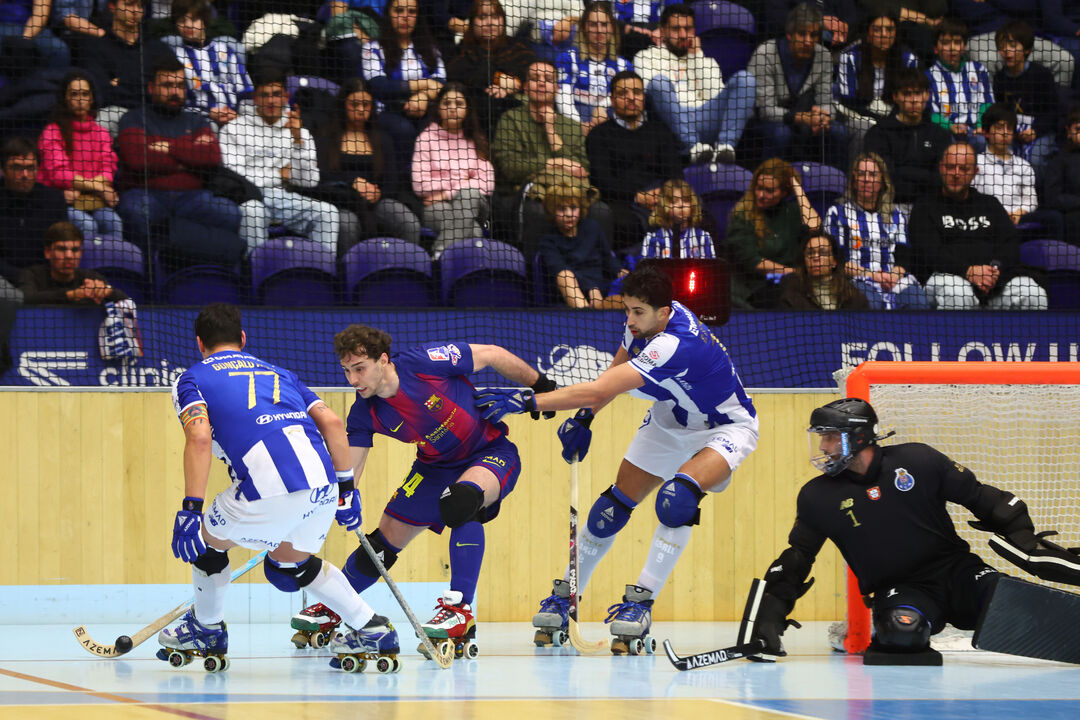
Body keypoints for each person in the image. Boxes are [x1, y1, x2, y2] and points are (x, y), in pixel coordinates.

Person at [474, 263, 758, 654]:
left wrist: (527, 401)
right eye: (627, 309)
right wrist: (586, 417)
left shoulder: (673, 345)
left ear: (664, 312)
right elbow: (616, 371)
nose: (630, 319)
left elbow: (597, 388)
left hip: (724, 426)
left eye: (637, 312)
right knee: (608, 510)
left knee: (677, 501)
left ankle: (640, 604)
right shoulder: (645, 323)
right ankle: (567, 595)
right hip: (669, 419)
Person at [290, 324, 557, 659]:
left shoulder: (425, 362)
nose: (353, 380)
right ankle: (337, 604)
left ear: (383, 360)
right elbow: (350, 472)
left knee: (461, 502)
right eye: (346, 371)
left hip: (489, 452)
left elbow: (493, 354)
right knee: (383, 540)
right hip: (433, 468)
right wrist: (341, 500)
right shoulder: (363, 412)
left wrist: (540, 387)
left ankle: (459, 610)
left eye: (359, 369)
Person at [160, 303, 398, 671]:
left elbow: (200, 438)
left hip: (267, 487)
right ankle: (371, 627)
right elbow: (333, 424)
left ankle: (206, 628)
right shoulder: (281, 373)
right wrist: (347, 489)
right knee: (290, 562)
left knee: (206, 545)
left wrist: (190, 509)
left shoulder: (191, 379)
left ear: (200, 343)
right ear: (243, 338)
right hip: (323, 485)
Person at [751, 397, 1078, 664]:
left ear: (859, 437)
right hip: (901, 588)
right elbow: (797, 559)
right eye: (821, 437)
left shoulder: (918, 461)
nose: (823, 446)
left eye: (831, 436)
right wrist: (769, 617)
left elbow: (985, 499)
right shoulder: (816, 496)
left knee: (1016, 606)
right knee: (901, 633)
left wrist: (1026, 541)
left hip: (959, 572)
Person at [115, 55, 244, 264]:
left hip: (192, 197)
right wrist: (187, 157)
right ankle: (148, 272)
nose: (175, 92)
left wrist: (169, 147)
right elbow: (138, 159)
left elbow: (211, 158)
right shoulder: (133, 118)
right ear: (151, 88)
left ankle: (212, 274)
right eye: (167, 85)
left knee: (230, 213)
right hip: (146, 194)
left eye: (180, 86)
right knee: (135, 211)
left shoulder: (196, 120)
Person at [903, 141, 1047, 310]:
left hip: (993, 282)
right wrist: (968, 271)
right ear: (941, 168)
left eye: (964, 169)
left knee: (1032, 293)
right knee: (957, 292)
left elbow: (1010, 244)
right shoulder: (925, 206)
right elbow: (929, 253)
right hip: (946, 278)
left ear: (974, 172)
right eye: (951, 167)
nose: (956, 173)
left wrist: (994, 270)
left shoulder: (990, 204)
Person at [219, 71, 342, 256]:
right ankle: (254, 270)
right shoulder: (234, 129)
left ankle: (321, 269)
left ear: (286, 97)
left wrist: (298, 141)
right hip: (250, 198)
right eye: (264, 95)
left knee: (328, 213)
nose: (271, 101)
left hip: (286, 198)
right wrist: (279, 175)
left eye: (276, 94)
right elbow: (236, 181)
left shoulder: (299, 131)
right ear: (255, 98)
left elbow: (309, 182)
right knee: (253, 211)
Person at [303, 78, 423, 250]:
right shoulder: (325, 136)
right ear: (343, 105)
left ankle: (405, 264)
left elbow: (393, 181)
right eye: (355, 104)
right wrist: (352, 183)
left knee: (408, 222)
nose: (360, 110)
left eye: (366, 105)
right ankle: (348, 266)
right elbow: (320, 176)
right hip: (341, 201)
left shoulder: (383, 138)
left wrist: (378, 193)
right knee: (347, 224)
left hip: (377, 202)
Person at [635, 3, 756, 165]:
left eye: (688, 29)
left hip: (707, 117)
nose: (683, 35)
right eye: (676, 29)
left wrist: (697, 57)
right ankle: (693, 147)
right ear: (663, 31)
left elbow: (713, 95)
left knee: (745, 79)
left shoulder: (707, 61)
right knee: (658, 82)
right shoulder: (645, 57)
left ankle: (725, 147)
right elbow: (652, 96)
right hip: (671, 124)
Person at [585, 70, 681, 252]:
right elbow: (602, 181)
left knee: (699, 212)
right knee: (618, 221)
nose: (631, 98)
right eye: (623, 93)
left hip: (663, 199)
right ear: (612, 100)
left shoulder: (660, 131)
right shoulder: (599, 135)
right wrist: (638, 196)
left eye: (637, 92)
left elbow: (675, 172)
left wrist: (663, 193)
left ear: (643, 97)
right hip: (621, 202)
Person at [824, 151, 930, 309]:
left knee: (918, 302)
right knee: (870, 304)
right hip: (855, 279)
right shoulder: (837, 214)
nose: (866, 179)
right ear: (854, 180)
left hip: (893, 279)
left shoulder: (896, 216)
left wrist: (893, 276)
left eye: (873, 175)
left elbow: (903, 256)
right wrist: (871, 275)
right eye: (861, 174)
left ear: (882, 182)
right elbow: (836, 261)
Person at [748, 3, 846, 169]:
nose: (808, 41)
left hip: (805, 121)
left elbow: (826, 101)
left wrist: (823, 118)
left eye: (813, 35)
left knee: (838, 132)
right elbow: (765, 110)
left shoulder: (823, 56)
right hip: (764, 122)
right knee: (781, 134)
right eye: (802, 34)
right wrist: (802, 118)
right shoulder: (765, 54)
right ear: (789, 34)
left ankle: (834, 182)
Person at [37, 70, 123, 244]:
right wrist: (99, 188)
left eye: (85, 94)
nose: (80, 100)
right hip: (62, 200)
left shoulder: (102, 133)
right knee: (87, 225)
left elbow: (108, 168)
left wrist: (89, 187)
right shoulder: (53, 131)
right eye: (74, 94)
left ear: (91, 99)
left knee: (113, 222)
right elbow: (58, 174)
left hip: (93, 200)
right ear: (65, 99)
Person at [411, 82, 494, 258]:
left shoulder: (476, 139)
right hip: (436, 208)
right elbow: (420, 185)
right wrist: (462, 179)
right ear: (438, 108)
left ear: (467, 109)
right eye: (447, 103)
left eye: (459, 104)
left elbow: (487, 183)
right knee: (474, 231)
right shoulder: (425, 139)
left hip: (474, 205)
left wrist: (446, 193)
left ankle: (440, 255)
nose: (452, 108)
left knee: (469, 194)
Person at [361, 0, 446, 170]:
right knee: (403, 130)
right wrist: (425, 83)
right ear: (388, 14)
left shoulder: (430, 49)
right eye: (399, 11)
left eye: (412, 12)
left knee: (433, 128)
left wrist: (423, 97)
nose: (405, 17)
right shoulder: (372, 48)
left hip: (425, 108)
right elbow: (381, 87)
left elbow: (441, 84)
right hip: (385, 111)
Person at [727, 158, 821, 309]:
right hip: (755, 289)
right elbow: (753, 262)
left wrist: (797, 187)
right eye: (759, 188)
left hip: (791, 284)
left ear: (784, 192)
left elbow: (814, 228)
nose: (761, 195)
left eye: (769, 191)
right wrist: (794, 273)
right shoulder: (742, 215)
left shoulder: (791, 211)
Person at [445, 0, 535, 141]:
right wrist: (497, 78)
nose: (490, 23)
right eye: (482, 17)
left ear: (503, 20)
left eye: (495, 17)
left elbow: (531, 71)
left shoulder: (517, 47)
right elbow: (456, 73)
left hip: (514, 109)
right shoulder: (462, 49)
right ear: (472, 22)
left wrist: (516, 84)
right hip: (475, 114)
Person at [973, 103, 1062, 243]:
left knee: (1054, 218)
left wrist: (1019, 213)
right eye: (999, 128)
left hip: (1018, 220)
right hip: (988, 220)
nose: (1004, 133)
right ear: (986, 133)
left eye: (1009, 129)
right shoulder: (976, 163)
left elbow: (1031, 200)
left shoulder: (1023, 166)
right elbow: (972, 198)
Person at [83, 0, 174, 136]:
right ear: (112, 6)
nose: (135, 11)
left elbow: (168, 89)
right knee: (103, 120)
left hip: (154, 115)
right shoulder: (95, 46)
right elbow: (101, 91)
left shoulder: (158, 48)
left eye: (140, 6)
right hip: (117, 114)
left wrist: (120, 83)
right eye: (129, 4)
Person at [863, 67, 952, 205]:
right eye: (907, 94)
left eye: (918, 93)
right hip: (889, 204)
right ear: (895, 97)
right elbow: (885, 176)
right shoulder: (879, 133)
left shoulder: (940, 135)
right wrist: (925, 175)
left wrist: (903, 170)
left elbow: (941, 177)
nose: (914, 100)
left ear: (927, 96)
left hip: (931, 205)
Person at [833, 8, 920, 146]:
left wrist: (891, 121)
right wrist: (880, 121)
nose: (884, 35)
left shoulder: (909, 59)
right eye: (877, 30)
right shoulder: (849, 57)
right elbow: (847, 100)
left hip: (895, 116)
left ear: (896, 33)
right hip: (856, 116)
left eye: (889, 30)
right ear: (868, 33)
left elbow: (909, 98)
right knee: (865, 129)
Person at [160, 0, 253, 128]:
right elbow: (178, 100)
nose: (188, 25)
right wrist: (208, 113)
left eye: (194, 19)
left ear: (204, 20)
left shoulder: (226, 50)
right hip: (197, 122)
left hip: (236, 120)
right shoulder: (175, 57)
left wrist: (238, 116)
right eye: (182, 21)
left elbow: (246, 90)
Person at [0, 136, 69, 300]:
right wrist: (22, 276)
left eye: (31, 168)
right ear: (3, 170)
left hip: (43, 280)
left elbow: (60, 247)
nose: (25, 175)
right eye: (17, 168)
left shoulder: (53, 200)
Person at [539, 181, 624, 309]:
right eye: (562, 209)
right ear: (552, 211)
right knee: (564, 276)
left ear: (580, 207)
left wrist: (621, 273)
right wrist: (591, 288)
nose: (569, 214)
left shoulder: (593, 227)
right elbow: (559, 269)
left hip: (601, 288)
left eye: (573, 208)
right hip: (573, 292)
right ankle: (585, 316)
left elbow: (608, 258)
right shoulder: (548, 241)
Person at [991, 20, 1060, 175]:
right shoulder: (999, 78)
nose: (1006, 51)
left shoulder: (1041, 75)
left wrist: (1036, 131)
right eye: (1002, 46)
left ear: (1027, 49)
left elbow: (1053, 112)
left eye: (1012, 45)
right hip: (1011, 131)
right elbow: (1000, 111)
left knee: (1035, 159)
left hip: (1040, 130)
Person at [555, 1, 632, 133]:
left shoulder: (624, 66)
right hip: (574, 123)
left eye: (604, 24)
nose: (599, 30)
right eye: (593, 25)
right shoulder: (567, 59)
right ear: (584, 28)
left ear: (612, 28)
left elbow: (628, 99)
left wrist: (601, 107)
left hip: (610, 122)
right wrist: (578, 126)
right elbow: (563, 100)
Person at [17, 221, 128, 305]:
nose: (69, 256)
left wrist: (107, 291)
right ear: (48, 252)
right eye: (62, 249)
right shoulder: (32, 274)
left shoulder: (90, 277)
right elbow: (24, 298)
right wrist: (72, 295)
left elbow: (126, 302)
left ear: (81, 253)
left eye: (75, 250)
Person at [925, 17, 993, 153]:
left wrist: (981, 125)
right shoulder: (928, 76)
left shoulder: (978, 70)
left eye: (957, 42)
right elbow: (929, 113)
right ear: (935, 49)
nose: (952, 48)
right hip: (946, 134)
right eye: (945, 43)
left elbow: (987, 102)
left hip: (977, 133)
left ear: (964, 47)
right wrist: (950, 126)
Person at [776, 230, 870, 309]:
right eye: (810, 253)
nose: (816, 257)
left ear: (834, 262)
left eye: (823, 252)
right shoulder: (792, 293)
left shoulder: (853, 296)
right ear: (804, 260)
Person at [638, 178, 715, 260]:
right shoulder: (653, 239)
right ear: (663, 205)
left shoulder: (703, 238)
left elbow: (712, 266)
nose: (681, 205)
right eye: (674, 201)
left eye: (686, 200)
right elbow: (645, 267)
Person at [1042, 106, 1080, 243]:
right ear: (1068, 132)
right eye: (1078, 129)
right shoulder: (1059, 160)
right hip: (1074, 215)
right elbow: (1052, 197)